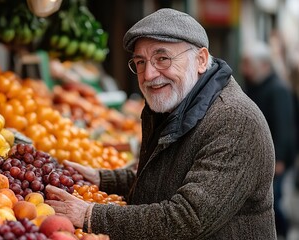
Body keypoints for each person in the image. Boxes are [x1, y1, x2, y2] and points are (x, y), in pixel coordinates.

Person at [45, 8, 276, 239]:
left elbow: (187, 219)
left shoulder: (234, 121)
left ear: (201, 60)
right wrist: (102, 179)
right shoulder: (174, 106)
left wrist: (90, 215)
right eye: (140, 62)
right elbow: (164, 180)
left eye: (162, 58)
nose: (148, 75)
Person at [241, 41, 297, 238]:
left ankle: (282, 232)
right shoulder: (254, 85)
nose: (244, 69)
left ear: (263, 65)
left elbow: (285, 127)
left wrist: (279, 159)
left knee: (274, 201)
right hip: (260, 157)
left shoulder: (278, 89)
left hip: (275, 160)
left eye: (248, 64)